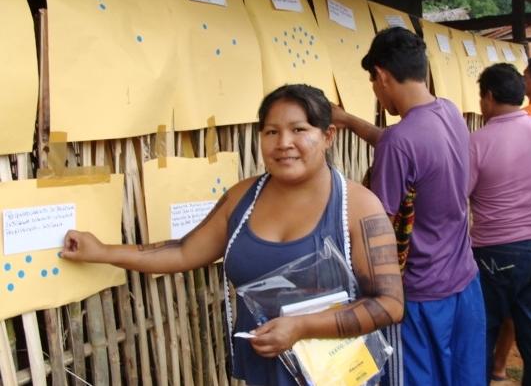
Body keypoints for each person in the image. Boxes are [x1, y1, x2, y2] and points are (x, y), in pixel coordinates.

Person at [61, 84, 404, 386]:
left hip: (338, 374)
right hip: (264, 370)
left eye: (299, 129)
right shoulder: (242, 197)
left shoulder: (358, 207)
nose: (284, 143)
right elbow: (184, 252)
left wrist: (302, 327)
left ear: (328, 135)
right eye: (271, 132)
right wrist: (102, 251)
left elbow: (389, 305)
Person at [331, 27, 485, 386]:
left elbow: (378, 230)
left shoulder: (400, 142)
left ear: (382, 75)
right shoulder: (447, 112)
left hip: (418, 297)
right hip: (464, 283)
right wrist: (349, 120)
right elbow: (406, 147)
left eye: (372, 81)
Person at [469, 63, 531, 386]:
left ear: (489, 98)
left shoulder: (477, 142)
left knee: (483, 332)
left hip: (492, 253)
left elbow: (460, 195)